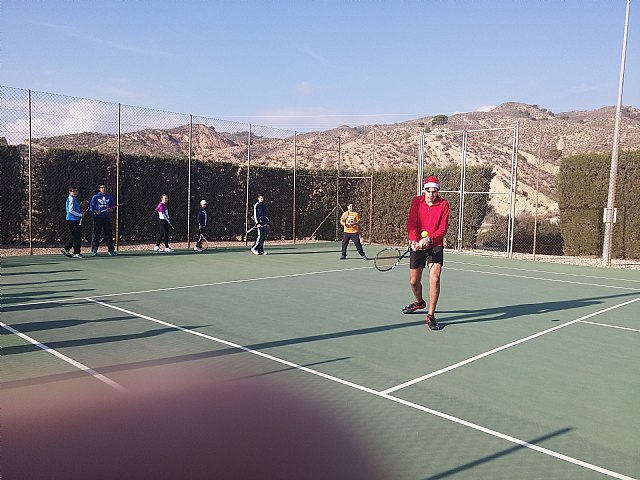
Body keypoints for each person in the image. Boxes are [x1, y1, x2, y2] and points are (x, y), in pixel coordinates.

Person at [403, 176, 450, 331]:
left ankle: (430, 315)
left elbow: (443, 229)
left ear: (438, 191)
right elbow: (411, 223)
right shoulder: (416, 202)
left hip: (435, 245)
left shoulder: (443, 204)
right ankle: (419, 302)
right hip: (417, 245)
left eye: (434, 191)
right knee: (413, 282)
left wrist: (429, 238)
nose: (431, 194)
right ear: (424, 190)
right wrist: (413, 240)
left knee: (435, 279)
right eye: (428, 191)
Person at [89, 183, 117, 257]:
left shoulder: (109, 197)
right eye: (102, 187)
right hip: (97, 218)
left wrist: (110, 209)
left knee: (109, 234)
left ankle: (111, 250)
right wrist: (96, 211)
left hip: (107, 218)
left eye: (104, 187)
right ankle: (94, 250)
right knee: (96, 234)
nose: (103, 189)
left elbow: (112, 207)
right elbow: (91, 208)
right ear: (99, 189)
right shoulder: (95, 197)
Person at [61, 187, 85, 258]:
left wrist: (81, 213)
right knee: (76, 237)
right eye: (73, 191)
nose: (75, 192)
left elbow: (75, 210)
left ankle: (66, 249)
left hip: (75, 220)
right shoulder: (71, 199)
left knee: (75, 236)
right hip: (72, 220)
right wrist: (80, 215)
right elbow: (70, 210)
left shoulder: (74, 199)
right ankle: (76, 253)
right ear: (70, 192)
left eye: (76, 191)